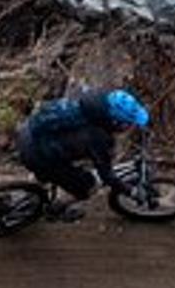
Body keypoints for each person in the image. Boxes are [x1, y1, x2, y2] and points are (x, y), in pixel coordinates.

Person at [14, 86, 150, 220]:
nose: (128, 127)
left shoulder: (95, 98)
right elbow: (107, 177)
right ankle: (57, 209)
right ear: (116, 121)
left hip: (28, 132)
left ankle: (35, 188)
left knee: (69, 164)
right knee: (87, 187)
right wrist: (131, 192)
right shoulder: (97, 137)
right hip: (36, 154)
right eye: (127, 123)